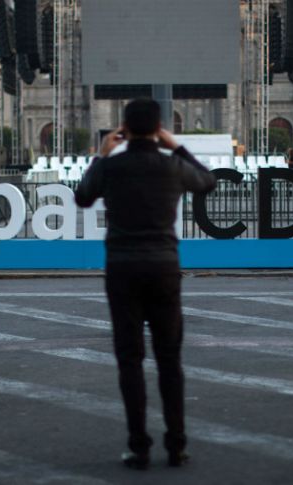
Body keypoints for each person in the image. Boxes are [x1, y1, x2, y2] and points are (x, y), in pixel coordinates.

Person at [75, 99, 216, 470]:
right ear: (158, 129)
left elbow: (82, 196)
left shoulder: (113, 167)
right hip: (164, 269)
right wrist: (178, 147)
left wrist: (101, 155)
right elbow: (209, 182)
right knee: (170, 360)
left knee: (130, 360)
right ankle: (176, 445)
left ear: (123, 128)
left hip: (122, 269)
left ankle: (138, 445)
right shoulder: (172, 167)